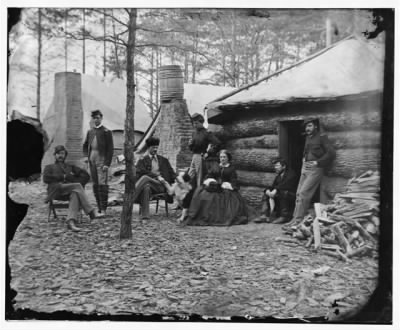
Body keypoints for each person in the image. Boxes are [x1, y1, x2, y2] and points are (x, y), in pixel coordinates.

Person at [284, 118, 336, 229]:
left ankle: (299, 220)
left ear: (315, 126)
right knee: (298, 193)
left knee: (304, 193)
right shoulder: (308, 137)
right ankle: (294, 219)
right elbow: (306, 150)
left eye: (310, 126)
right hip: (305, 168)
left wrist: (318, 162)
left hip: (316, 169)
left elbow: (331, 153)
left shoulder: (322, 137)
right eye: (306, 126)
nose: (307, 128)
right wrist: (304, 159)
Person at [183, 149, 256, 226]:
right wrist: (211, 181)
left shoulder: (231, 168)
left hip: (226, 189)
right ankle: (200, 215)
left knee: (218, 199)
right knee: (202, 194)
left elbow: (234, 181)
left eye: (224, 157)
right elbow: (209, 175)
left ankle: (216, 217)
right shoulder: (216, 166)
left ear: (228, 158)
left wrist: (226, 184)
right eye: (221, 157)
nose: (222, 159)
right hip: (214, 186)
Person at [43, 145, 100, 232]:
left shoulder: (70, 167)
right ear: (54, 155)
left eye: (62, 153)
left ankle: (71, 222)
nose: (60, 155)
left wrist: (73, 179)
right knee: (77, 186)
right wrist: (63, 176)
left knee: (75, 193)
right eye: (58, 153)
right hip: (56, 190)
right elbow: (46, 178)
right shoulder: (49, 167)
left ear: (65, 155)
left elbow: (86, 176)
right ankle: (91, 211)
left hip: (69, 191)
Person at [134, 137, 176, 220]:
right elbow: (139, 172)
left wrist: (178, 179)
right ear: (148, 148)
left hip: (161, 186)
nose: (155, 149)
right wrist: (156, 176)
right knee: (146, 187)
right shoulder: (142, 160)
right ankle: (145, 215)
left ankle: (131, 198)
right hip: (150, 184)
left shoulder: (164, 160)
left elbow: (172, 174)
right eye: (153, 147)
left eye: (157, 147)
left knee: (145, 178)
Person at [83, 109, 114, 215]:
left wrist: (107, 164)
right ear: (92, 119)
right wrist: (85, 157)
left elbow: (110, 149)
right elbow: (85, 145)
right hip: (92, 160)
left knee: (102, 184)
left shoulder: (106, 132)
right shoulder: (90, 132)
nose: (96, 119)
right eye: (94, 118)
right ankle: (99, 207)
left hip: (102, 161)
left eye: (98, 117)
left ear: (101, 118)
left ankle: (104, 209)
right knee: (95, 183)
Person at [256, 158, 297, 224]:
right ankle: (264, 215)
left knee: (284, 192)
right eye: (275, 166)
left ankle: (284, 216)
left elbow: (286, 185)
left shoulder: (291, 174)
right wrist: (267, 190)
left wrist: (276, 190)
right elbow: (273, 186)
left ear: (284, 166)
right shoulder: (278, 176)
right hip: (281, 195)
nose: (275, 168)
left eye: (277, 166)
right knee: (266, 194)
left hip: (291, 197)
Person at [188, 113, 221, 188]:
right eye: (193, 123)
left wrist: (208, 153)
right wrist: (190, 145)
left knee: (200, 177)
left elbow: (218, 143)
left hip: (201, 156)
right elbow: (192, 148)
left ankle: (199, 194)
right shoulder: (194, 133)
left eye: (196, 123)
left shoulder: (207, 133)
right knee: (190, 176)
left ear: (201, 123)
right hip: (194, 156)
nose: (194, 125)